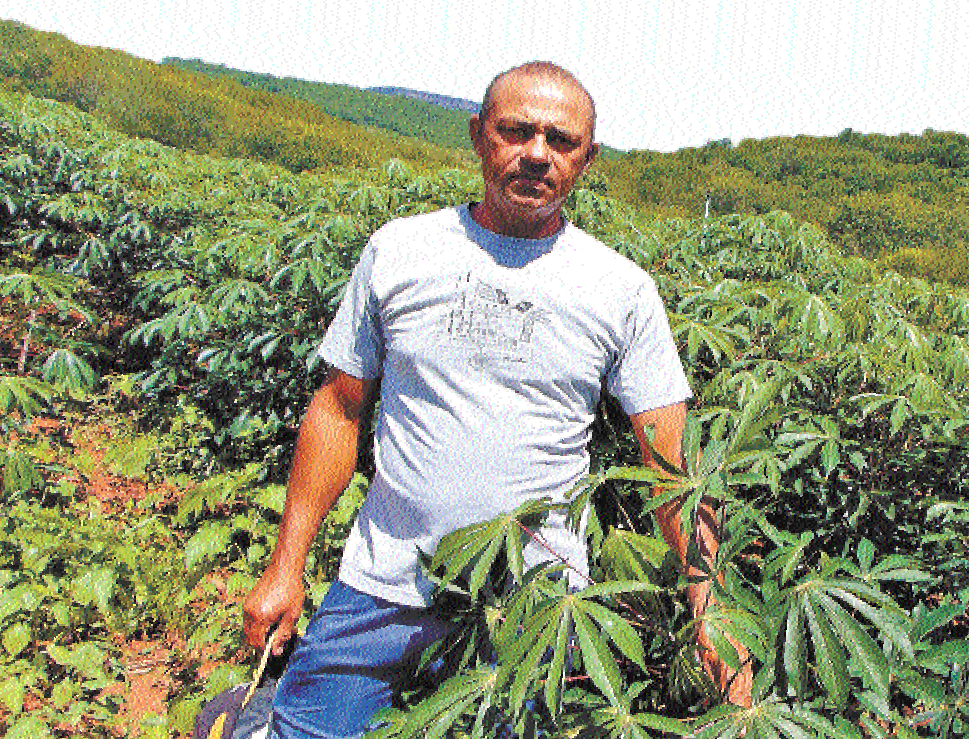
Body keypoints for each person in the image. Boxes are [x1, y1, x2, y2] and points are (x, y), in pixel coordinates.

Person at [241, 61, 751, 739]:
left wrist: (707, 608)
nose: (537, 154)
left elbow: (672, 466)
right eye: (516, 131)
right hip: (383, 583)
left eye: (561, 141)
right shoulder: (400, 251)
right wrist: (286, 567)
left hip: (534, 608)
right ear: (479, 135)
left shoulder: (620, 289)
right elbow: (339, 408)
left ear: (588, 158)